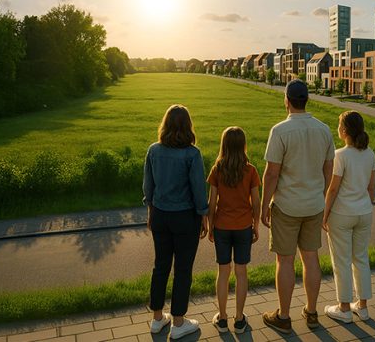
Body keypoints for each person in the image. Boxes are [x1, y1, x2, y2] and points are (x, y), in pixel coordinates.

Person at [260, 79, 335, 334]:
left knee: (285, 260)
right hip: (314, 205)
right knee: (311, 258)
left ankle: (283, 317)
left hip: (286, 206)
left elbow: (271, 174)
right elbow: (329, 169)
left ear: (287, 100)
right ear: (307, 100)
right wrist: (321, 196)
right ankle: (312, 313)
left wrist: (263, 207)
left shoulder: (280, 131)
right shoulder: (324, 130)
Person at [143, 104, 209, 339]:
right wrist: (203, 215)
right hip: (185, 217)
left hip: (160, 214)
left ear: (166, 125)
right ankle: (179, 323)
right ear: (188, 126)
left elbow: (148, 186)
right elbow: (199, 189)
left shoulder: (154, 150)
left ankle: (157, 319)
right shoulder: (192, 153)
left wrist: (150, 210)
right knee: (183, 269)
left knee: (160, 265)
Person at [322, 111, 375, 323]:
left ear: (344, 131)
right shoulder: (370, 154)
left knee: (341, 261)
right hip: (364, 213)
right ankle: (362, 308)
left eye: (338, 125)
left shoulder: (340, 155)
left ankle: (344, 308)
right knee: (361, 258)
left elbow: (333, 189)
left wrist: (325, 215)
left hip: (342, 215)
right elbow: (371, 188)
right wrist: (365, 207)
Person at [207, 126, 261, 334]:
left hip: (222, 227)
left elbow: (212, 203)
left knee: (223, 271)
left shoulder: (217, 169)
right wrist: (255, 226)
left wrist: (210, 226)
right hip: (243, 227)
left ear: (224, 145)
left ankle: (222, 319)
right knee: (241, 272)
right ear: (243, 146)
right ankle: (239, 320)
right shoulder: (251, 170)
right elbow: (256, 202)